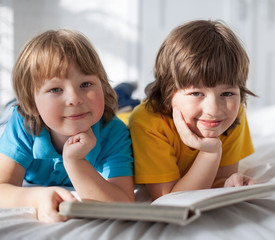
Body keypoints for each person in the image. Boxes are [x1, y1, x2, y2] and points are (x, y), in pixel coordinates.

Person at [0, 29, 134, 223]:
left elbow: (124, 202)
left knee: (129, 105)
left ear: (103, 86)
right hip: (12, 117)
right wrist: (37, 198)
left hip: (108, 110)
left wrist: (75, 161)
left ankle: (123, 91)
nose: (75, 99)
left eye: (86, 84)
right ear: (32, 103)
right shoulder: (23, 125)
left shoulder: (113, 132)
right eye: (55, 89)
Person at [128, 20, 256, 200]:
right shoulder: (147, 123)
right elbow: (171, 198)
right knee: (120, 102)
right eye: (196, 93)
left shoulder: (233, 115)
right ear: (168, 90)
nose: (214, 109)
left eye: (227, 93)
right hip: (124, 115)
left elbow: (216, 178)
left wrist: (229, 183)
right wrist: (210, 152)